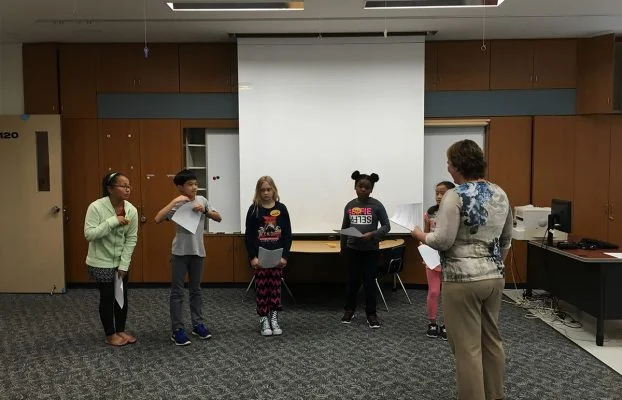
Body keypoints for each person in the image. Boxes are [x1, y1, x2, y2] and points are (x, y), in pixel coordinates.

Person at [411, 139, 513, 400]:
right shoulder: (500, 193)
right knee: (491, 340)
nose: (447, 167)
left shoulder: (455, 195)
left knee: (467, 347)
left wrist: (420, 235)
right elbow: (506, 240)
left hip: (462, 279)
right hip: (494, 277)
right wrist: (495, 264)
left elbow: (443, 241)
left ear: (457, 166)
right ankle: (495, 395)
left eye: (449, 162)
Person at [155, 169, 222, 346]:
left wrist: (205, 210)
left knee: (196, 290)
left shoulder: (202, 200)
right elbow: (158, 218)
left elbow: (218, 218)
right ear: (180, 187)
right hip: (179, 253)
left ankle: (197, 324)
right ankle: (177, 329)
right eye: (190, 184)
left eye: (195, 184)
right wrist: (174, 202)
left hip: (198, 252)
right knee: (177, 291)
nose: (194, 187)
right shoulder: (178, 203)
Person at [84, 172, 139, 346]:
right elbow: (89, 234)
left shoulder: (131, 210)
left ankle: (120, 329)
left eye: (129, 186)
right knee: (107, 297)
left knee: (121, 296)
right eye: (123, 186)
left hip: (120, 262)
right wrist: (112, 221)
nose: (127, 189)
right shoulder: (96, 207)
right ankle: (110, 334)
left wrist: (124, 264)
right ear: (110, 189)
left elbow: (131, 239)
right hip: (100, 261)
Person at [340, 170, 391, 329]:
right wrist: (343, 248)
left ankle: (371, 314)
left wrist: (373, 234)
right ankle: (349, 310)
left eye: (367, 187)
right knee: (352, 282)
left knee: (370, 283)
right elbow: (344, 228)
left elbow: (386, 226)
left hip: (370, 251)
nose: (363, 189)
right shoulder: (350, 205)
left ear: (371, 189)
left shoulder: (377, 205)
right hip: (352, 250)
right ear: (355, 187)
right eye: (360, 186)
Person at [244, 176, 292, 337]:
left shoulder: (282, 209)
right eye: (262, 190)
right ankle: (264, 318)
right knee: (262, 289)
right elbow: (249, 236)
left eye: (268, 189)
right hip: (260, 258)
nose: (266, 193)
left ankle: (274, 318)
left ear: (274, 190)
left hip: (277, 257)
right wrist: (252, 257)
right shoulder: (254, 209)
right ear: (258, 192)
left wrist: (285, 256)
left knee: (275, 288)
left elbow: (287, 234)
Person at [423, 180, 455, 340]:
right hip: (432, 258)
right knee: (434, 291)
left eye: (443, 193)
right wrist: (424, 251)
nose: (439, 196)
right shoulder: (430, 213)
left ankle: (448, 324)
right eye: (437, 193)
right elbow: (425, 234)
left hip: (451, 258)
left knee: (450, 293)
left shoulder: (456, 213)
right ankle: (432, 322)